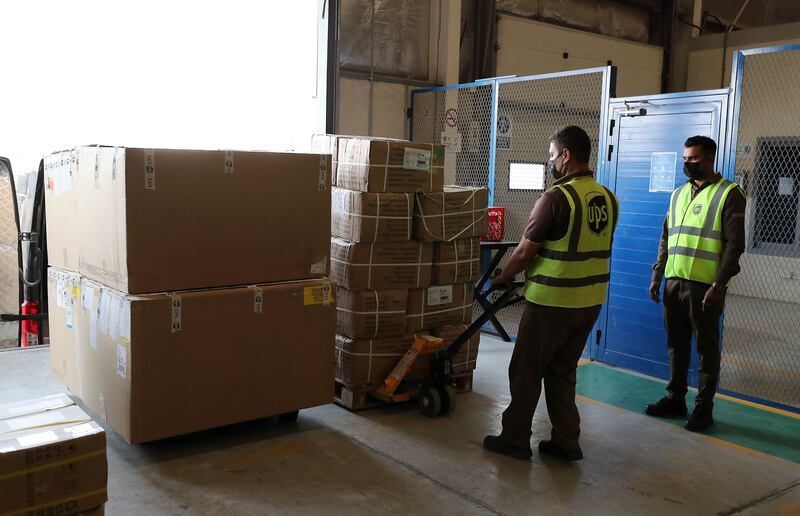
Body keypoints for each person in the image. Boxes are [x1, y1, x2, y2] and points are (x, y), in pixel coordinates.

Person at [483, 125, 619, 461]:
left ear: (566, 155)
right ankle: (566, 441)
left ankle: (515, 438)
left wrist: (504, 276)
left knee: (526, 369)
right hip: (589, 302)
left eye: (552, 155)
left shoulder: (555, 198)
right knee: (562, 371)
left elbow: (526, 252)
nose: (551, 162)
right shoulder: (607, 198)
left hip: (552, 301)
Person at [646, 135, 746, 432]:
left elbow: (735, 244)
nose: (688, 164)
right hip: (674, 282)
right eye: (685, 159)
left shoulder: (729, 193)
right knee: (676, 345)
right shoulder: (678, 194)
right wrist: (657, 274)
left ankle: (704, 408)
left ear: (710, 159)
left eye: (694, 159)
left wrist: (720, 285)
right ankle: (675, 399)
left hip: (705, 287)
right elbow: (667, 237)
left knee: (706, 349)